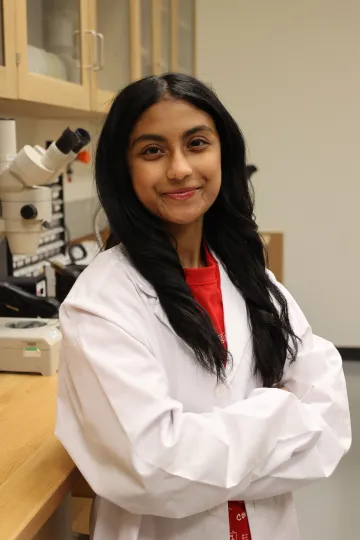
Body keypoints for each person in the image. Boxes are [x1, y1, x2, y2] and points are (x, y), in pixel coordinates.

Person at [55, 73, 351, 540]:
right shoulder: (102, 303)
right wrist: (280, 414)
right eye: (152, 150)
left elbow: (330, 428)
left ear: (223, 154)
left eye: (196, 143)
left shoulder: (251, 277)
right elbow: (152, 470)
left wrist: (203, 456)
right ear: (124, 169)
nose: (179, 168)